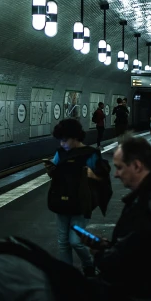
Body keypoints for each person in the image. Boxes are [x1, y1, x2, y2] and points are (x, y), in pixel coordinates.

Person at [78, 137, 151, 301]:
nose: (115, 174)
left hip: (135, 300)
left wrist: (100, 253)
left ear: (137, 166)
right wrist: (108, 246)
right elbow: (137, 246)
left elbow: (124, 261)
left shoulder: (145, 207)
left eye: (120, 167)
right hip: (148, 295)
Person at [44, 119, 108, 277]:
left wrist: (92, 175)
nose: (62, 143)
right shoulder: (60, 153)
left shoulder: (90, 154)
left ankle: (88, 264)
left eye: (65, 140)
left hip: (81, 203)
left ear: (75, 137)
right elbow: (55, 173)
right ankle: (68, 274)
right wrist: (50, 169)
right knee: (63, 242)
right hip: (61, 201)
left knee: (75, 241)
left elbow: (103, 178)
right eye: (60, 140)